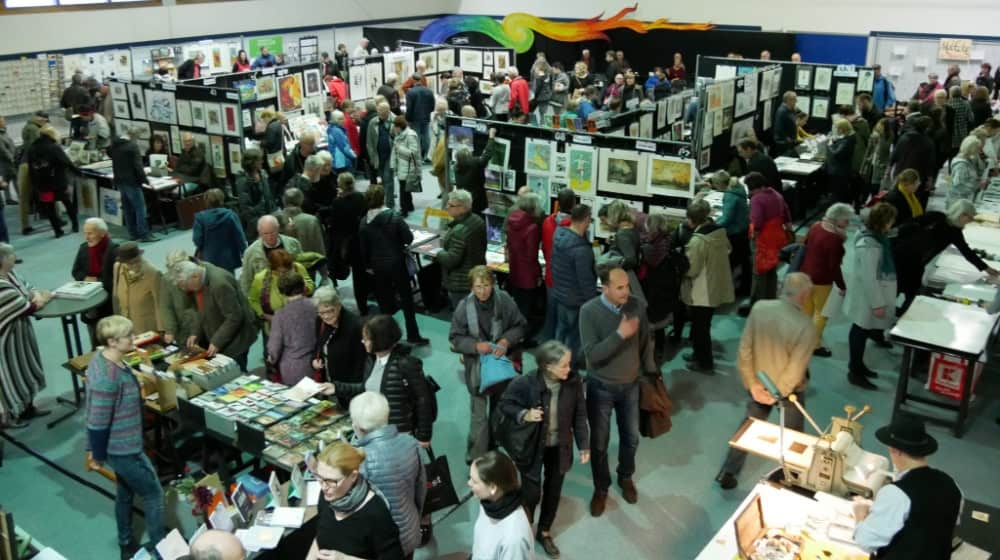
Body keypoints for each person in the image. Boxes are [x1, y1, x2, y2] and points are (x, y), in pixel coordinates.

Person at [715, 273, 816, 490]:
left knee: (748, 427)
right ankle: (794, 477)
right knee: (794, 436)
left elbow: (745, 349)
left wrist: (753, 385)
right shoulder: (806, 326)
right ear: (804, 296)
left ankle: (728, 472)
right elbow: (796, 368)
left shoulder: (760, 308)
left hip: (759, 386)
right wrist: (777, 392)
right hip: (788, 392)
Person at [498, 341, 589, 558]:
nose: (570, 368)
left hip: (560, 447)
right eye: (564, 365)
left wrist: (583, 444)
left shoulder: (573, 383)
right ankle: (526, 526)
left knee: (553, 490)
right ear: (548, 366)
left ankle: (544, 531)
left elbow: (579, 415)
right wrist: (524, 414)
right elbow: (506, 404)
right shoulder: (525, 382)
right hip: (532, 446)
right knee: (531, 492)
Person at [85, 315, 165, 559]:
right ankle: (161, 547)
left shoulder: (108, 360)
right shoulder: (106, 378)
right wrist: (96, 455)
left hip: (122, 444)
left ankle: (126, 542)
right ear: (111, 341)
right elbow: (96, 421)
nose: (134, 338)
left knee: (125, 492)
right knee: (153, 494)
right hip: (124, 449)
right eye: (127, 336)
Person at [579, 266, 656, 516]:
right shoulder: (588, 312)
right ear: (605, 287)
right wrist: (620, 335)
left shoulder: (636, 306)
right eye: (620, 287)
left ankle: (626, 477)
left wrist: (648, 372)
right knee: (599, 443)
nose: (626, 292)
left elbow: (645, 341)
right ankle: (601, 488)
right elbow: (592, 355)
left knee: (631, 437)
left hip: (630, 385)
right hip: (600, 386)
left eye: (628, 286)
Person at [852, 415, 962, 558]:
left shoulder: (896, 494)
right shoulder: (952, 483)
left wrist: (860, 515)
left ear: (896, 450)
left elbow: (865, 542)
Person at [450, 265, 528, 463]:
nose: (482, 291)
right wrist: (476, 346)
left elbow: (520, 325)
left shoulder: (505, 301)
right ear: (471, 288)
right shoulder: (463, 308)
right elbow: (456, 338)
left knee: (499, 408)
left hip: (500, 366)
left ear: (493, 284)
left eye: (486, 285)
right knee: (478, 416)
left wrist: (505, 341)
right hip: (476, 368)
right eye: (478, 287)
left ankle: (493, 442)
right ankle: (476, 453)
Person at [322, 314, 434, 446]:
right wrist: (336, 388)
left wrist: (424, 435)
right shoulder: (372, 359)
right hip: (376, 432)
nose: (363, 341)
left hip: (398, 435)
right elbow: (367, 388)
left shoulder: (406, 364)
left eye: (366, 339)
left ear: (380, 340)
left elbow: (423, 399)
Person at [349, 391, 426, 558]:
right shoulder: (411, 443)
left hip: (380, 543)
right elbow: (421, 491)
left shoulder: (361, 459)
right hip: (409, 530)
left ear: (358, 427)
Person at [894, 200, 998, 316]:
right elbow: (905, 226)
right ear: (962, 214)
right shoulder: (936, 218)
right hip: (903, 256)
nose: (970, 221)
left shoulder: (953, 230)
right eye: (970, 217)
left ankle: (900, 313)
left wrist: (986, 268)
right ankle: (892, 313)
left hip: (917, 261)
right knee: (900, 286)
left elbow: (966, 251)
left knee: (909, 288)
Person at [307, 442, 406, 560]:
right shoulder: (327, 495)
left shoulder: (376, 513)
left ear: (353, 476)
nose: (323, 487)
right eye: (319, 478)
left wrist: (344, 559)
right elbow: (320, 536)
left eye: (331, 481)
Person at [358, 185, 429, 344]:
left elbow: (363, 249)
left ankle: (387, 339)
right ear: (382, 198)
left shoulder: (364, 222)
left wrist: (368, 266)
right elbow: (408, 239)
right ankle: (413, 335)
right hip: (397, 264)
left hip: (378, 267)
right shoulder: (393, 216)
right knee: (407, 300)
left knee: (385, 304)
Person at [844, 203, 897, 390]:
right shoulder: (870, 245)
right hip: (866, 297)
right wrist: (877, 303)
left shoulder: (875, 238)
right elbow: (869, 277)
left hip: (867, 295)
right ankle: (855, 370)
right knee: (860, 329)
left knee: (862, 329)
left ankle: (858, 365)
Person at [172, 259, 257, 370]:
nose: (185, 289)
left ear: (195, 276)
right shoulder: (199, 280)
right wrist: (196, 333)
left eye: (185, 285)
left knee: (235, 372)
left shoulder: (219, 284)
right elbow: (201, 310)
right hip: (221, 334)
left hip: (236, 340)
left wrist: (217, 341)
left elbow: (234, 316)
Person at [680, 199, 735, 373]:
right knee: (703, 325)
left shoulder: (698, 242)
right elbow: (728, 250)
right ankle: (698, 355)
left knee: (700, 328)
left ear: (691, 220)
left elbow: (692, 270)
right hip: (715, 284)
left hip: (702, 290)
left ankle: (704, 363)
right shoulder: (718, 232)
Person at [0, 243, 51, 428]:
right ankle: (10, 416)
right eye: (12, 255)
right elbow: (27, 306)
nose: (14, 257)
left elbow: (29, 290)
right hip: (6, 340)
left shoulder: (11, 275)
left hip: (20, 335)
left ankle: (27, 408)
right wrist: (41, 299)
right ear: (3, 259)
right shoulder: (1, 284)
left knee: (25, 369)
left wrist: (36, 296)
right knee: (10, 376)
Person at [799, 203, 852, 358]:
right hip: (821, 280)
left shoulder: (816, 226)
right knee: (821, 314)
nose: (848, 224)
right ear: (837, 219)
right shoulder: (834, 238)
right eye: (846, 220)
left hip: (805, 274)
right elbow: (833, 267)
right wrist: (842, 285)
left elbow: (806, 245)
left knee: (806, 310)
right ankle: (814, 345)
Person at [549, 204, 595, 363]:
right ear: (586, 219)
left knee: (560, 333)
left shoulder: (558, 235)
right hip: (575, 301)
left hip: (560, 295)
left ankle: (555, 364)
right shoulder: (582, 250)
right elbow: (586, 282)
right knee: (573, 340)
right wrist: (593, 304)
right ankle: (569, 371)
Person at [468, 451, 534, 560]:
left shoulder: (513, 539)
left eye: (474, 481)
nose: (469, 483)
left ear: (493, 488)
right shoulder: (489, 503)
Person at [312, 286, 367, 407]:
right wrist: (314, 360)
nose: (326, 316)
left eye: (330, 311)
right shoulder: (320, 321)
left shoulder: (355, 326)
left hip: (349, 389)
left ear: (338, 305)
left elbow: (360, 364)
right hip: (328, 384)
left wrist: (345, 389)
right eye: (321, 312)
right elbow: (318, 345)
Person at [746, 172, 792, 308]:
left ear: (754, 187)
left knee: (759, 271)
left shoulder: (757, 199)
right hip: (777, 236)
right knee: (771, 269)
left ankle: (756, 305)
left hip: (763, 239)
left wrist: (753, 231)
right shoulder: (776, 194)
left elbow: (758, 222)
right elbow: (787, 211)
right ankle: (770, 299)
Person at [437, 189, 488, 308]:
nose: (446, 207)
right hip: (476, 276)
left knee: (463, 318)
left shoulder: (459, 231)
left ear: (463, 208)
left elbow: (451, 260)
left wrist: (439, 253)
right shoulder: (478, 220)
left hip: (460, 283)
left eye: (451, 205)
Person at [27, 125, 80, 238]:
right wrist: (78, 172)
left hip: (43, 184)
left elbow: (31, 168)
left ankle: (57, 231)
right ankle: (75, 225)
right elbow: (66, 162)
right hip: (58, 182)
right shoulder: (53, 147)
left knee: (49, 207)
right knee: (67, 203)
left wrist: (35, 184)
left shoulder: (32, 148)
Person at [323, 172, 368, 303]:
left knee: (357, 275)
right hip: (362, 239)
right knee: (364, 272)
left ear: (340, 185)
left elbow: (336, 224)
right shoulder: (361, 197)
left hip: (349, 243)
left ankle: (362, 305)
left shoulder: (337, 202)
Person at [266, 270, 317, 386]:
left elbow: (274, 348)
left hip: (292, 368)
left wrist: (271, 359)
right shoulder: (316, 305)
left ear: (282, 292)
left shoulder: (280, 315)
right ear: (303, 286)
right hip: (317, 362)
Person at [248, 248, 314, 337]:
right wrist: (265, 315)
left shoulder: (297, 267)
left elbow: (310, 283)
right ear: (273, 269)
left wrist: (306, 289)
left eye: (289, 270)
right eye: (283, 272)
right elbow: (253, 300)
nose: (287, 273)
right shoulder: (260, 279)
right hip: (277, 328)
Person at [72, 217, 119, 335]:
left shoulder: (114, 250)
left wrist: (98, 281)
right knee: (94, 334)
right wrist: (85, 278)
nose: (86, 237)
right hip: (89, 298)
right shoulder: (84, 248)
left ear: (102, 233)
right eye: (85, 233)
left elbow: (117, 279)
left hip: (109, 301)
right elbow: (76, 271)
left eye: (90, 233)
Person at [505, 191, 544, 331]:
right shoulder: (532, 228)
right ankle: (521, 339)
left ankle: (513, 336)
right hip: (527, 276)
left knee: (516, 307)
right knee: (525, 311)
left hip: (514, 271)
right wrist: (538, 275)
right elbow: (531, 257)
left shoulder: (512, 221)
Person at [110, 123, 155, 242]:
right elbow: (138, 167)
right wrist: (145, 181)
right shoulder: (132, 146)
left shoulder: (115, 144)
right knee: (140, 208)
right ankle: (144, 234)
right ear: (134, 136)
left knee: (127, 208)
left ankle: (133, 233)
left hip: (119, 180)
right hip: (132, 182)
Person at [540, 189, 575, 340]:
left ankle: (546, 347)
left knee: (550, 315)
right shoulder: (574, 227)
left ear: (557, 203)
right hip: (567, 281)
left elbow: (543, 247)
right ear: (574, 204)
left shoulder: (547, 222)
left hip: (550, 275)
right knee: (565, 321)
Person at [710, 171, 751, 297]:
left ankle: (725, 291)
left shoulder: (730, 196)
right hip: (744, 228)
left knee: (729, 263)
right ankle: (745, 286)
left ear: (719, 184)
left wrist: (712, 225)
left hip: (735, 233)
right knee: (745, 260)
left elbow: (726, 218)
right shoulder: (738, 188)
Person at [239, 214, 302, 294]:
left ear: (278, 229)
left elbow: (303, 268)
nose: (270, 237)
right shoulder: (250, 253)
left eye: (272, 232)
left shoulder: (293, 244)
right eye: (265, 234)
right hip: (267, 298)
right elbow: (246, 281)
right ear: (260, 233)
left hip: (294, 293)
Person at [110, 242, 163, 335]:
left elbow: (160, 304)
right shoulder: (118, 267)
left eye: (137, 261)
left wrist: (161, 330)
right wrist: (117, 320)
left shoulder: (153, 273)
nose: (135, 265)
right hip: (126, 328)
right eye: (130, 263)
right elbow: (115, 296)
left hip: (146, 329)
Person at [192, 188, 246, 274]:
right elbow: (240, 237)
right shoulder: (231, 215)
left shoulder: (200, 218)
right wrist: (244, 252)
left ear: (206, 201)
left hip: (209, 258)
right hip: (229, 258)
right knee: (230, 280)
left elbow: (197, 240)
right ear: (222, 200)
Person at [453, 128, 498, 215]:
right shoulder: (475, 163)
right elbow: (488, 154)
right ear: (468, 155)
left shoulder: (456, 166)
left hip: (463, 199)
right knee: (477, 219)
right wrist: (491, 137)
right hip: (476, 200)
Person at [17, 110, 47, 235]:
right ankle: (56, 217)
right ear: (39, 119)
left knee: (24, 197)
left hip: (24, 164)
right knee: (47, 190)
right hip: (33, 165)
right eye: (45, 120)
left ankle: (25, 225)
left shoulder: (26, 127)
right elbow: (38, 148)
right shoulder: (35, 130)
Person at [234, 147, 273, 241]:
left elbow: (268, 196)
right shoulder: (243, 181)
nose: (262, 162)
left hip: (267, 217)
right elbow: (246, 208)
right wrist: (259, 226)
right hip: (254, 224)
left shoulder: (263, 174)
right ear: (252, 163)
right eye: (259, 160)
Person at [278, 187, 326, 257]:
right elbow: (319, 247)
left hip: (281, 265)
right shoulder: (311, 220)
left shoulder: (273, 220)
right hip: (308, 264)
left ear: (283, 200)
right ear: (301, 200)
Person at [389, 115, 421, 217]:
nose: (394, 128)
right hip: (402, 165)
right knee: (405, 188)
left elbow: (413, 152)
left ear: (399, 126)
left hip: (409, 167)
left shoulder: (410, 136)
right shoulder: (399, 135)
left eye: (395, 126)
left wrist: (400, 148)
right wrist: (393, 164)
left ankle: (404, 210)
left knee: (403, 189)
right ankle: (410, 206)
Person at [367, 101, 397, 207]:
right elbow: (369, 142)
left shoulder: (395, 120)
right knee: (382, 181)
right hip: (378, 156)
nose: (380, 115)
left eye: (382, 112)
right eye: (378, 112)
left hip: (391, 155)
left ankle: (389, 204)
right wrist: (372, 156)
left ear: (388, 111)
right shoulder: (373, 122)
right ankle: (383, 201)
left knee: (388, 179)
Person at [946, 136, 986, 206]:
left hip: (963, 199)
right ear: (972, 149)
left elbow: (968, 178)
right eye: (978, 149)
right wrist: (978, 185)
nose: (980, 151)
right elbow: (959, 186)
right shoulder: (961, 165)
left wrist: (978, 181)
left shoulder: (967, 159)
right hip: (958, 202)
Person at [826, 119, 857, 203]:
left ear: (842, 129)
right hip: (841, 169)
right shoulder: (849, 137)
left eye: (837, 128)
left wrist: (830, 145)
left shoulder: (847, 140)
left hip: (839, 171)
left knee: (839, 193)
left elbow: (837, 154)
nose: (835, 131)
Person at [405, 74, 436, 158]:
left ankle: (417, 156)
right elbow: (433, 106)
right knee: (426, 136)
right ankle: (426, 155)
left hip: (415, 119)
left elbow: (409, 108)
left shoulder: (410, 92)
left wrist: (407, 119)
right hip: (426, 117)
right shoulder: (429, 91)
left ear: (413, 80)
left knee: (416, 137)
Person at [861, 118, 894, 197]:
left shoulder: (888, 136)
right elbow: (868, 151)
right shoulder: (874, 135)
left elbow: (886, 150)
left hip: (880, 164)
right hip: (872, 162)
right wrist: (863, 166)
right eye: (878, 124)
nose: (878, 126)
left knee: (876, 185)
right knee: (869, 183)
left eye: (881, 125)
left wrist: (879, 139)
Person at [326, 110, 356, 175]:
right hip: (341, 161)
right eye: (340, 119)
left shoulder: (331, 128)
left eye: (343, 118)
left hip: (336, 160)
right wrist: (353, 155)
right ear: (335, 120)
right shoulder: (337, 131)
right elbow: (345, 147)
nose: (343, 120)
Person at [773, 91, 798, 156]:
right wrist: (787, 139)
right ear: (788, 100)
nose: (796, 101)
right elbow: (779, 127)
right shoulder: (782, 111)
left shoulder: (790, 110)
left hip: (789, 142)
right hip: (784, 143)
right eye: (795, 99)